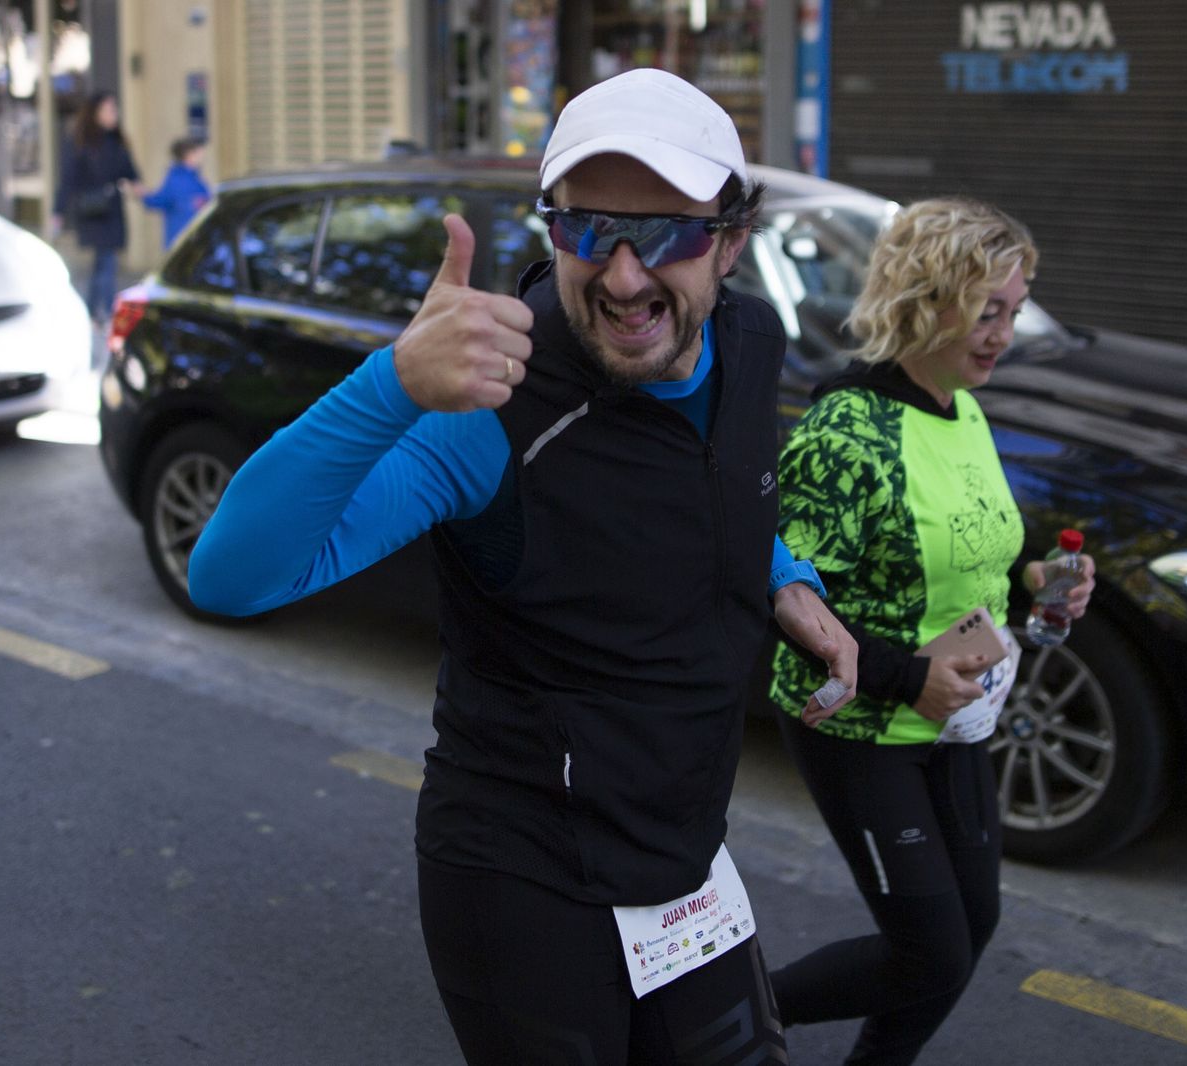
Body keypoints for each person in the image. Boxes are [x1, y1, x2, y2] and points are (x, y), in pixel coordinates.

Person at [187, 68, 858, 1064]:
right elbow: (229, 575)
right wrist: (391, 383)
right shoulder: (488, 405)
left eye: (668, 233)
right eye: (588, 229)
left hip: (682, 855)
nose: (626, 276)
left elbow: (705, 492)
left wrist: (784, 577)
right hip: (524, 874)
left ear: (729, 240)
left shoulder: (748, 337)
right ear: (551, 233)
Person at [766, 198, 1096, 1065]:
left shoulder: (961, 407)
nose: (1006, 332)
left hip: (954, 719)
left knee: (969, 929)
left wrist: (1038, 587)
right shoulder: (848, 432)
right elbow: (785, 602)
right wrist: (903, 676)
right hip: (863, 724)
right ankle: (722, 1025)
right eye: (989, 310)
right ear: (925, 300)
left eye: (1015, 310)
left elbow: (975, 568)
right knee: (929, 950)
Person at [54, 90, 139, 325]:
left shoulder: (116, 140)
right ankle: (110, 314)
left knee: (103, 262)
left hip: (112, 208)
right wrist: (58, 211)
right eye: (109, 109)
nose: (114, 114)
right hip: (93, 210)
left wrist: (137, 186)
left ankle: (92, 312)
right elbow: (68, 179)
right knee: (107, 262)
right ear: (95, 113)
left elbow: (129, 170)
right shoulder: (81, 142)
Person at [141, 135, 210, 248]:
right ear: (189, 154)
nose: (201, 156)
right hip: (181, 240)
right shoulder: (177, 179)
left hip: (195, 239)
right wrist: (144, 194)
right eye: (198, 152)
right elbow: (159, 200)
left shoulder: (192, 178)